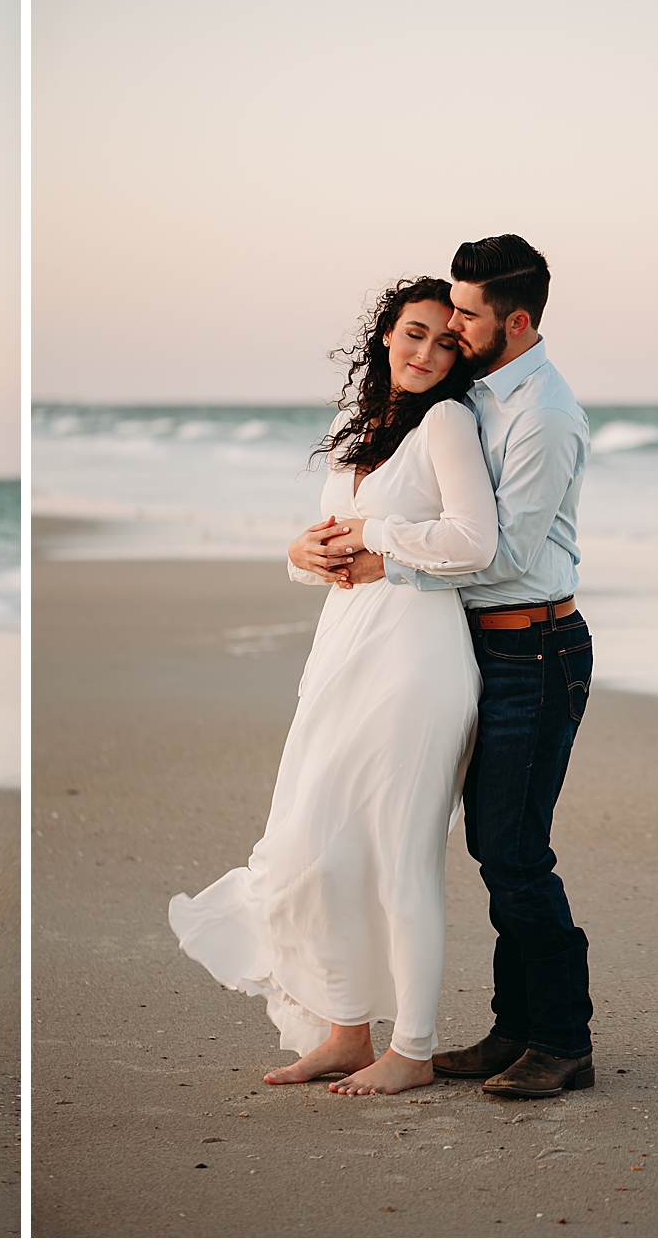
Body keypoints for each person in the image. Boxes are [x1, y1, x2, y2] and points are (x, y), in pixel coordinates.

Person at [169, 275, 497, 1096]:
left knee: (400, 854)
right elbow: (332, 548)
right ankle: (348, 1031)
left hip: (417, 659)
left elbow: (474, 541)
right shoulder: (359, 428)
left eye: (446, 341)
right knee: (317, 845)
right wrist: (297, 553)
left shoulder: (449, 423)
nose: (426, 352)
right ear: (385, 334)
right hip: (344, 652)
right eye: (414, 333)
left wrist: (379, 533)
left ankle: (413, 1048)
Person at [323, 235, 596, 1099]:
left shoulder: (541, 414)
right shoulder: (478, 395)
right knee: (493, 845)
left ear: (514, 321)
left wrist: (382, 554)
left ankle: (562, 1040)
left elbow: (502, 554)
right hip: (482, 642)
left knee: (515, 851)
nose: (453, 326)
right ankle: (514, 1028)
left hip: (535, 644)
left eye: (467, 316)